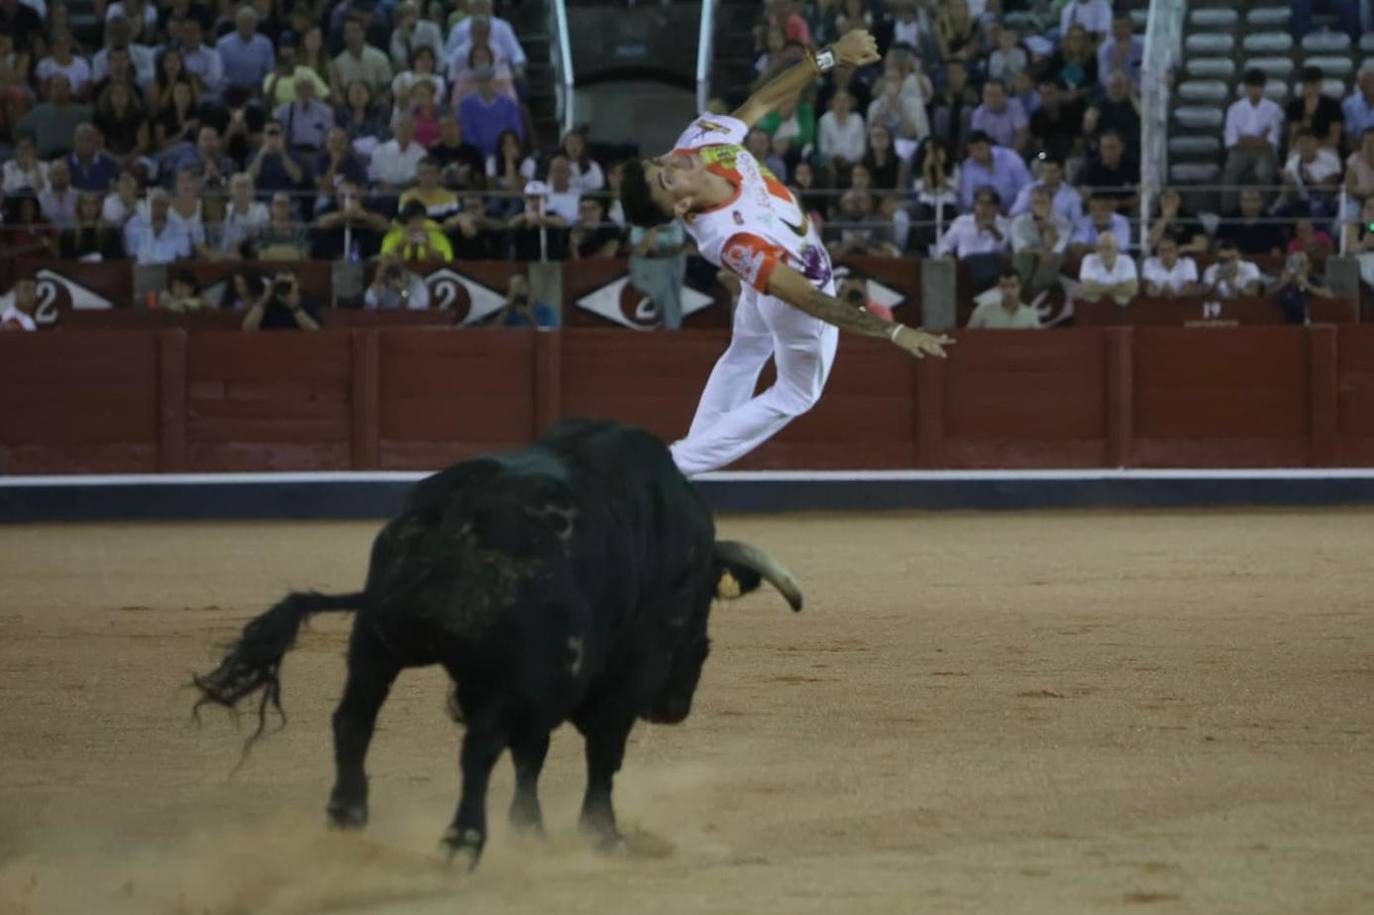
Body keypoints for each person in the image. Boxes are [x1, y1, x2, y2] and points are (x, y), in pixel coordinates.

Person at [618, 30, 951, 477]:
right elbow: (807, 298)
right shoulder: (727, 237)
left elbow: (760, 104)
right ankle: (676, 464)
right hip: (793, 292)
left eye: (659, 161)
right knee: (797, 393)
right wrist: (892, 333)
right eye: (666, 178)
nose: (674, 162)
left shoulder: (696, 143)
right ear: (680, 207)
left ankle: (680, 467)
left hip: (775, 281)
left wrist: (830, 57)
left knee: (744, 351)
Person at [1222, 69, 1284, 214]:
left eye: (1258, 86)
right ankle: (1228, 214)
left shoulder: (1273, 109)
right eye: (1252, 86)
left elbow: (1272, 139)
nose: (1255, 90)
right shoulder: (1234, 109)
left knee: (1264, 173)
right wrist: (1258, 138)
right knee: (1231, 172)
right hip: (1239, 151)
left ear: (1263, 88)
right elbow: (1231, 140)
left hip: (1264, 151)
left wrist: (1247, 139)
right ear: (1246, 88)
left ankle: (1264, 213)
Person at [628, 217, 688, 329]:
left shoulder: (674, 223)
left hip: (671, 267)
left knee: (670, 301)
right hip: (646, 269)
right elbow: (640, 250)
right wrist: (653, 229)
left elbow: (677, 247)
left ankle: (671, 331)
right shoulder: (638, 224)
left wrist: (654, 249)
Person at [241, 270, 322, 330]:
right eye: (281, 284)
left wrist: (295, 307)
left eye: (288, 284)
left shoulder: (309, 302)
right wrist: (265, 298)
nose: (284, 288)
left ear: (297, 284)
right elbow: (248, 328)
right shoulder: (266, 304)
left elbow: (314, 331)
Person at [1078, 231, 1138, 305]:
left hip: (1120, 310)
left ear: (1118, 248)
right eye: (1100, 248)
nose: (1104, 251)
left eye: (1108, 248)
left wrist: (1097, 288)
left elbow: (1132, 290)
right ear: (1096, 249)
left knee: (1122, 299)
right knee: (1092, 298)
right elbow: (1086, 289)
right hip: (1094, 309)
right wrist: (1118, 286)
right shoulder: (1088, 259)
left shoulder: (1127, 260)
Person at [1273, 250, 1334, 324]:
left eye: (1301, 264)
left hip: (1313, 323)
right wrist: (1282, 283)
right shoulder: (1283, 280)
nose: (1298, 267)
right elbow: (1263, 296)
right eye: (1295, 264)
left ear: (1309, 266)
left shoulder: (1314, 280)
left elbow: (1330, 296)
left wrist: (1308, 285)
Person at [967, 268, 1040, 328]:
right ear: (998, 288)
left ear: (1020, 287)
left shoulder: (1030, 314)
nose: (1008, 291)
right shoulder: (982, 311)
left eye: (1013, 286)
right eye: (1004, 286)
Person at [364, 253, 430, 309]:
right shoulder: (381, 281)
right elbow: (369, 306)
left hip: (410, 322)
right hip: (385, 321)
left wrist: (402, 292)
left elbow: (421, 308)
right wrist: (378, 282)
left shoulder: (416, 282)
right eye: (388, 268)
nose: (391, 272)